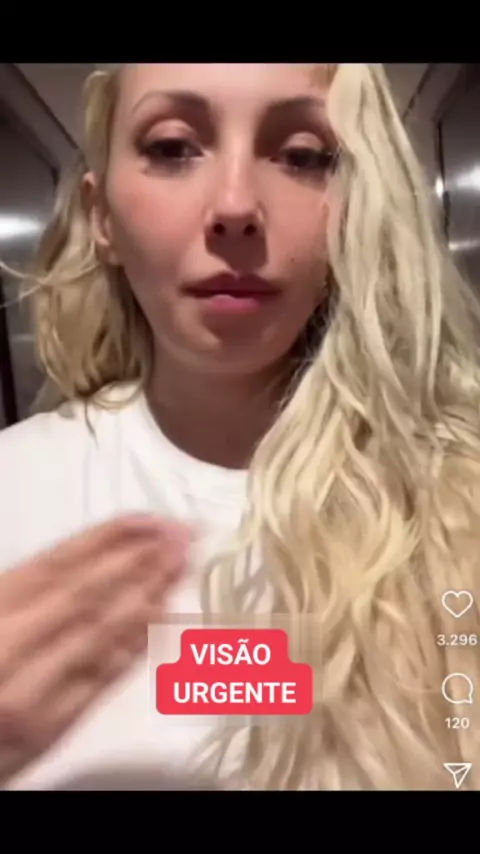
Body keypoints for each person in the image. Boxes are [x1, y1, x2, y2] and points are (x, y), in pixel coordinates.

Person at [0, 62, 479, 791]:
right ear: (103, 221)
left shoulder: (459, 503)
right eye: (172, 147)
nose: (234, 206)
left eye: (303, 156)